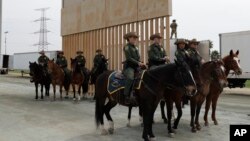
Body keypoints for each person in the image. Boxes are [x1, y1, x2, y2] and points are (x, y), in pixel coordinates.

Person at [123, 32, 145, 104]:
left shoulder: (136, 47)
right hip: (129, 67)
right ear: (129, 39)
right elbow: (129, 58)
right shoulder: (126, 47)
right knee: (130, 78)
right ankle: (126, 96)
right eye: (133, 38)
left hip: (136, 67)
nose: (135, 39)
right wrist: (138, 63)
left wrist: (141, 62)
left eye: (135, 38)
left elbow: (137, 57)